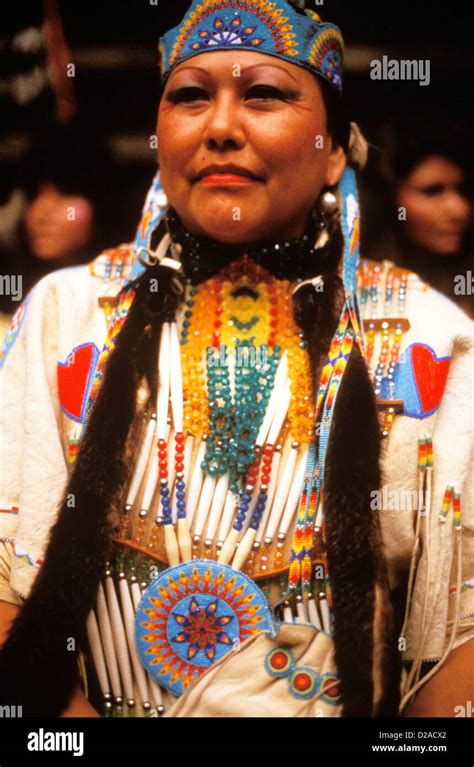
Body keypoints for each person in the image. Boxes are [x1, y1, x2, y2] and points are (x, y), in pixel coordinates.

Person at [0, 0, 472, 719]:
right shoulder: (66, 318)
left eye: (263, 94)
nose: (221, 126)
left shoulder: (428, 340)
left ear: (336, 148)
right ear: (159, 136)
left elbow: (461, 631)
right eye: (190, 95)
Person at [365, 117, 473, 318]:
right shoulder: (360, 294)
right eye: (432, 191)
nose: (460, 210)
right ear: (390, 198)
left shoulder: (467, 281)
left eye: (463, 190)